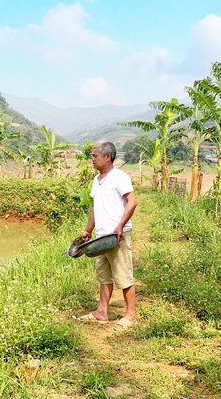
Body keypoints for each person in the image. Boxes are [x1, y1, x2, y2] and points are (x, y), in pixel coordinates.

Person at [78, 140, 138, 331]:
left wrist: (120, 226)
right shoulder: (97, 180)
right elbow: (95, 208)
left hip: (117, 236)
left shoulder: (119, 177)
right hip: (101, 238)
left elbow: (132, 202)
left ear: (107, 157)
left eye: (95, 156)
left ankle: (130, 315)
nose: (92, 159)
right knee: (104, 275)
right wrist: (88, 230)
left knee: (123, 275)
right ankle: (102, 312)